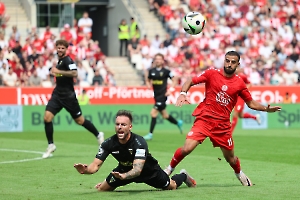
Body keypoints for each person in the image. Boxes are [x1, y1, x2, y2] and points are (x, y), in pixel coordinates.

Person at [164, 51, 281, 186]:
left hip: (222, 126)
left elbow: (251, 103)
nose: (229, 64)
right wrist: (183, 93)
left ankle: (240, 174)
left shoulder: (239, 83)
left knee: (230, 159)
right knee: (187, 148)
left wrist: (266, 109)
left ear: (238, 64)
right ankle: (168, 169)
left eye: (233, 62)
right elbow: (190, 80)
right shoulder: (212, 73)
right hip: (204, 120)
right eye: (227, 61)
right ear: (224, 60)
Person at [74, 110, 196, 191]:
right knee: (102, 190)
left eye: (123, 124)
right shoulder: (108, 143)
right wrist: (86, 170)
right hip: (123, 170)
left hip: (149, 172)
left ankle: (183, 175)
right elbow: (95, 166)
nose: (120, 127)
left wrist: (124, 176)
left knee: (172, 186)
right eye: (117, 124)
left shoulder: (139, 142)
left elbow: (137, 170)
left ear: (130, 127)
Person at [42, 39, 104, 159]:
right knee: (47, 117)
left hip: (68, 96)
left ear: (66, 49)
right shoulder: (59, 61)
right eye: (58, 47)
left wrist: (58, 72)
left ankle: (98, 134)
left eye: (62, 48)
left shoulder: (68, 60)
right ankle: (51, 145)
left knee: (80, 121)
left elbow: (74, 73)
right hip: (57, 94)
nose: (60, 50)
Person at [143, 53, 183, 141]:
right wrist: (148, 84)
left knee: (153, 113)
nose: (158, 60)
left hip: (163, 96)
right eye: (156, 59)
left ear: (162, 61)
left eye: (159, 59)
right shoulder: (151, 71)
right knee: (165, 116)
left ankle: (150, 134)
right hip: (156, 96)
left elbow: (175, 80)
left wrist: (170, 90)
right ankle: (178, 123)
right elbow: (148, 79)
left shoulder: (166, 71)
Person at [231, 66, 261, 132]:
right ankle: (255, 117)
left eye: (236, 68)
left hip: (241, 98)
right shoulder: (232, 76)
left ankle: (230, 133)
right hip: (235, 98)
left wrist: (243, 90)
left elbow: (250, 84)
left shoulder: (242, 76)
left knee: (235, 113)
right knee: (241, 115)